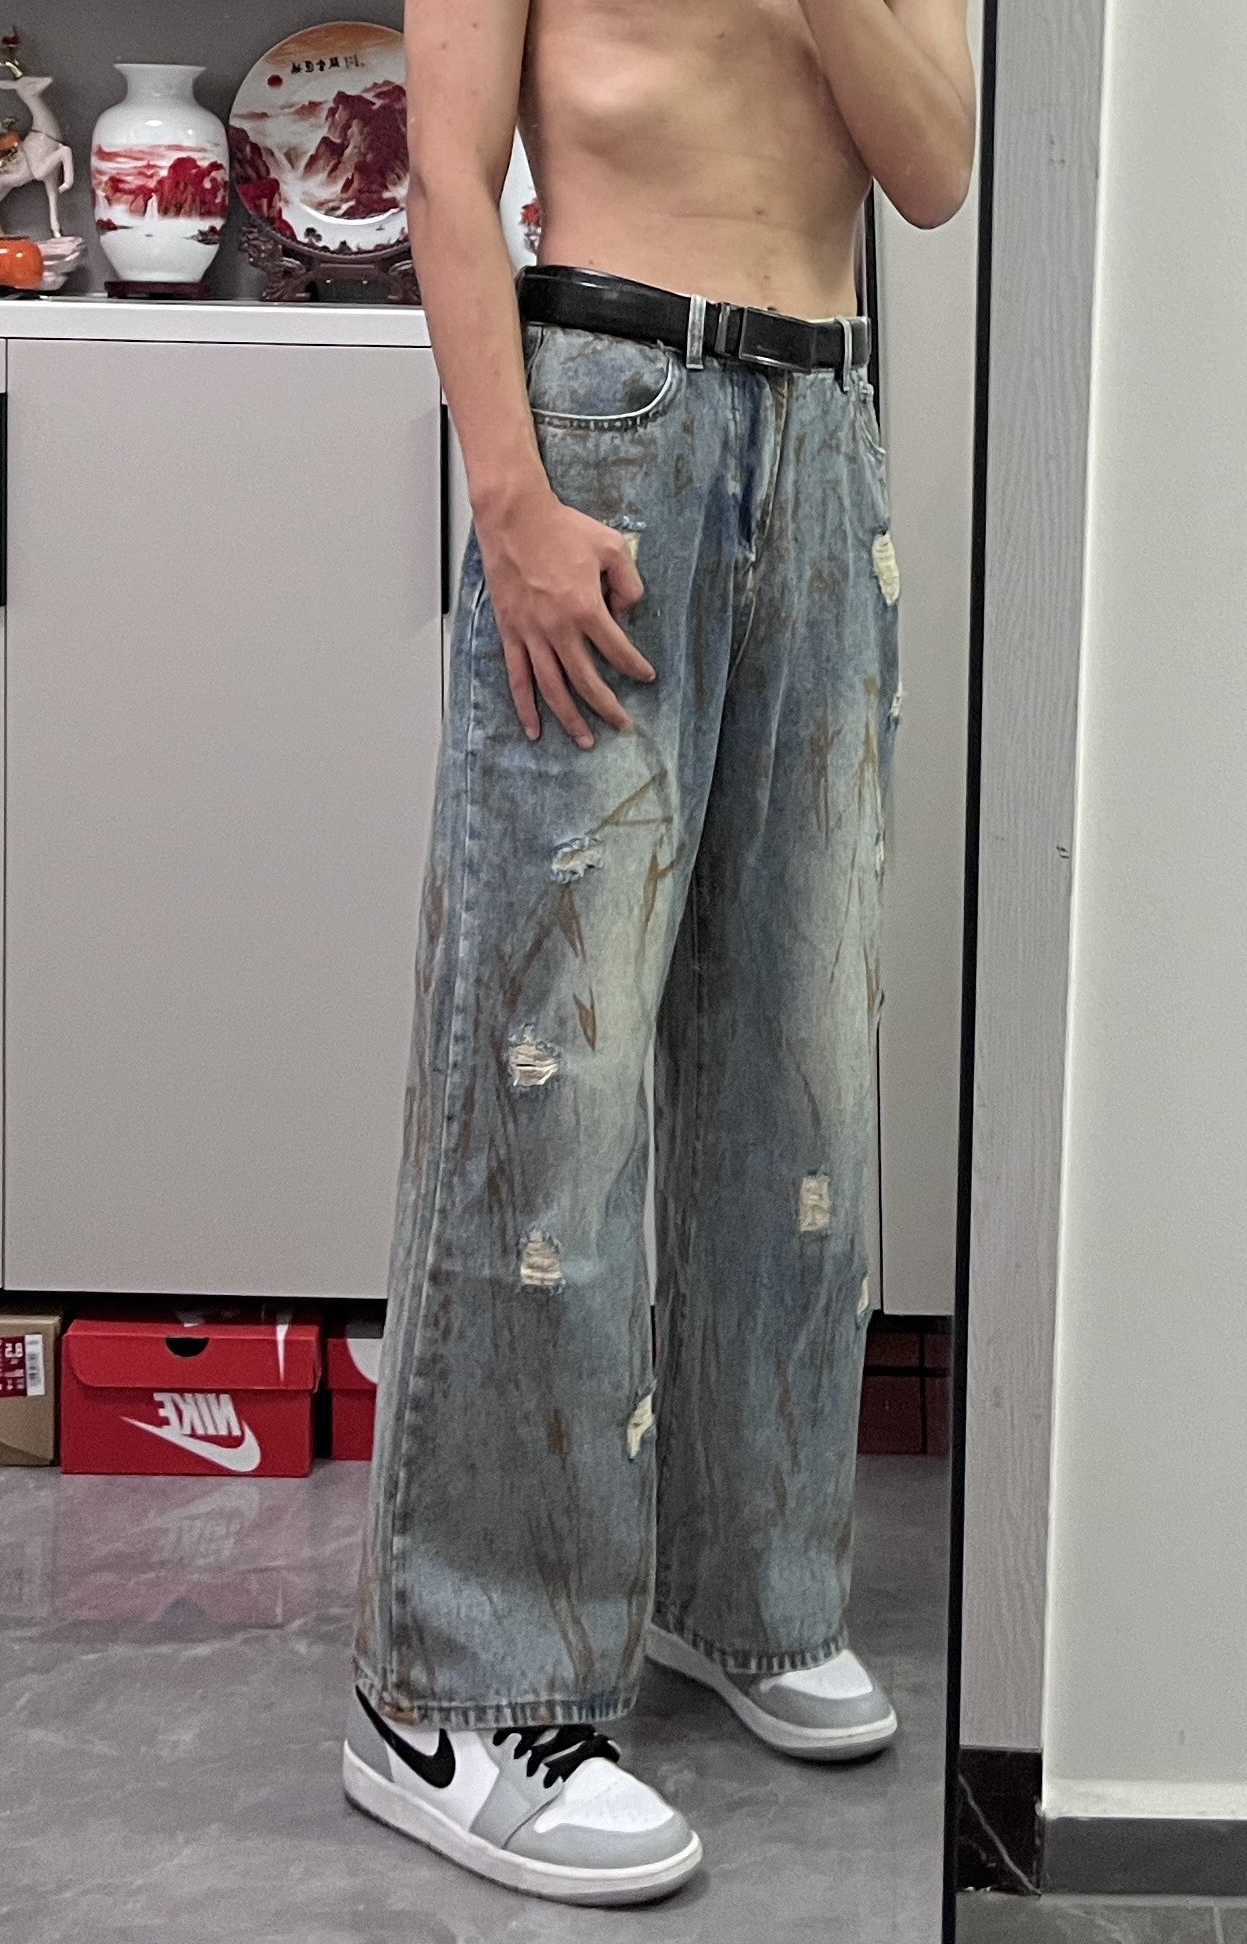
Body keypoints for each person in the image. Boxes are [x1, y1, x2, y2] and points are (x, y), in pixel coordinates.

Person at [342, 0, 977, 1907]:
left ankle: (739, 1583)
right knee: (553, 1063)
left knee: (802, 1056)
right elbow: (446, 168)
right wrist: (510, 501)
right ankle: (456, 1686)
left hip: (827, 428)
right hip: (611, 410)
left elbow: (932, 172)